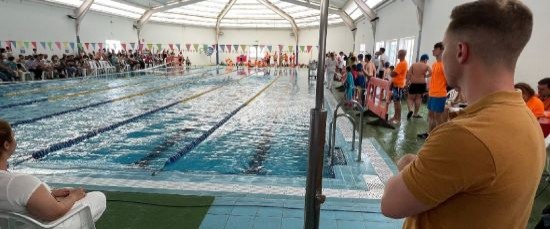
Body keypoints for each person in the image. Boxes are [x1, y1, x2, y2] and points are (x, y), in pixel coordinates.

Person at [381, 1, 545, 228]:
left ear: (461, 51)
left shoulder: (464, 136)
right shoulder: (528, 121)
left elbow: (390, 203)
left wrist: (408, 162)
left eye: (444, 49)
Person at [0, 119, 106, 226]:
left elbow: (15, 200)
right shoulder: (18, 182)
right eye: (13, 136)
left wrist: (50, 194)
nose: (15, 139)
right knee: (98, 197)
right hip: (46, 225)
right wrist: (74, 196)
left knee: (66, 192)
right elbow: (56, 212)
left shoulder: (12, 183)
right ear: (6, 145)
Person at [418, 42, 447, 139]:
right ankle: (429, 134)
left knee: (437, 118)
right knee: (430, 116)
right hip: (432, 93)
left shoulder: (444, 64)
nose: (433, 51)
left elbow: (449, 79)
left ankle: (437, 137)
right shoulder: (434, 64)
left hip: (440, 94)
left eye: (435, 49)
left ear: (441, 50)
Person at [406, 54, 431, 119]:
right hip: (422, 84)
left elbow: (408, 75)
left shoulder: (413, 65)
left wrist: (406, 84)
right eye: (427, 60)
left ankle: (411, 110)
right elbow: (431, 72)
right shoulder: (426, 66)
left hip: (414, 84)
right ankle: (415, 114)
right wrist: (426, 76)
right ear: (425, 59)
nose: (427, 61)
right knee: (418, 98)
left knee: (410, 98)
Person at [389, 49, 408, 124]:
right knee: (395, 101)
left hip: (399, 85)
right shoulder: (401, 63)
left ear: (402, 55)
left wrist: (391, 72)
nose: (397, 54)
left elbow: (394, 74)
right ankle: (395, 116)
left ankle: (398, 118)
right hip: (396, 84)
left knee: (397, 102)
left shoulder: (402, 63)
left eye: (399, 53)